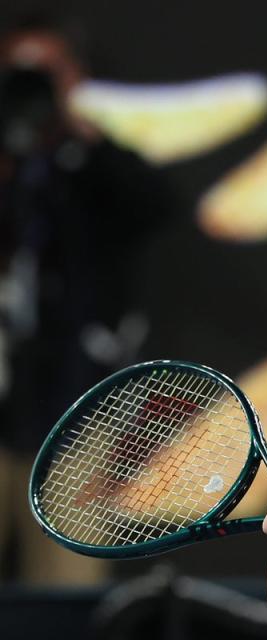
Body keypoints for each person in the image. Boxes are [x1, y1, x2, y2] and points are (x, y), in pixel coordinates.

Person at [0, 15, 169, 585]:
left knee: (68, 586)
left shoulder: (94, 163)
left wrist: (74, 133)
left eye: (46, 73)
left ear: (73, 78)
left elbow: (153, 205)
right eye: (20, 73)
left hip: (76, 411)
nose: (33, 87)